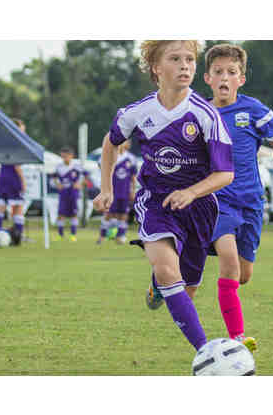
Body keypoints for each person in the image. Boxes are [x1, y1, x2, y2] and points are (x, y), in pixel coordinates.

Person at [144, 43, 273, 353]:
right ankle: (237, 336)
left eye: (232, 72)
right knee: (228, 260)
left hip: (252, 203)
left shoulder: (254, 110)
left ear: (241, 79)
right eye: (218, 72)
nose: (225, 78)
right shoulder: (198, 112)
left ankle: (162, 276)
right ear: (207, 77)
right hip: (217, 201)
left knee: (242, 275)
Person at [94, 40, 234, 354]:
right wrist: (107, 187)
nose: (185, 65)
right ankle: (205, 351)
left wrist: (191, 192)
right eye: (175, 59)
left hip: (199, 209)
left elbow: (226, 173)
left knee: (187, 286)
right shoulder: (137, 112)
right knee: (168, 269)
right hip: (156, 202)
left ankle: (160, 285)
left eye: (190, 59)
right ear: (157, 68)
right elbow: (110, 142)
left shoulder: (206, 115)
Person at [0, 119, 28, 245]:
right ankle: (18, 236)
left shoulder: (3, 142)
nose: (23, 132)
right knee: (18, 207)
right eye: (22, 130)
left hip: (3, 177)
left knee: (1, 206)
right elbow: (17, 166)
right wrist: (23, 183)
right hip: (14, 179)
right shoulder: (16, 144)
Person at [96, 140, 138, 245]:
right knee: (108, 213)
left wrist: (133, 191)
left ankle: (121, 236)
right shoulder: (108, 155)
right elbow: (101, 168)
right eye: (122, 142)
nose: (124, 144)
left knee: (123, 214)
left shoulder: (131, 158)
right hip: (111, 191)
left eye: (126, 142)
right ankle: (102, 236)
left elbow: (133, 177)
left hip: (124, 191)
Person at [54, 146, 88, 242]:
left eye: (66, 156)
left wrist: (80, 184)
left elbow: (86, 177)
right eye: (63, 156)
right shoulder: (59, 167)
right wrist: (58, 184)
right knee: (61, 214)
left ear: (71, 156)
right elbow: (54, 178)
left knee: (74, 214)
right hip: (63, 193)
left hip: (73, 193)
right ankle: (60, 235)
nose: (65, 158)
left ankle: (73, 235)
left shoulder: (77, 166)